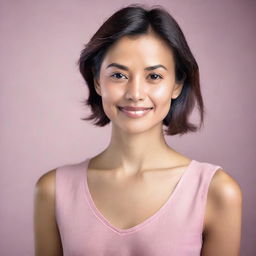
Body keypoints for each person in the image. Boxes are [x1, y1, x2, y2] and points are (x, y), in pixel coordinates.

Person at [33, 4, 242, 256]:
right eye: (119, 75)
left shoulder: (217, 192)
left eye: (154, 77)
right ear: (98, 81)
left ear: (177, 85)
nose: (135, 94)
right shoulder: (52, 191)